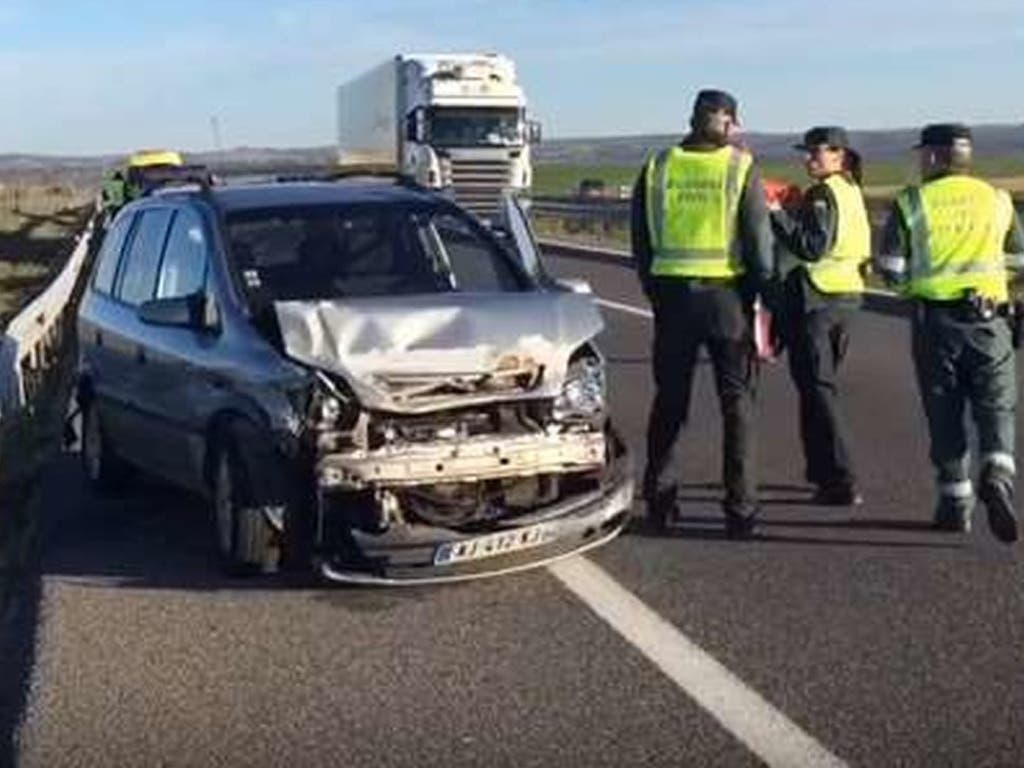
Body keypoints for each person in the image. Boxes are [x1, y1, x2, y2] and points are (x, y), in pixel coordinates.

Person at [632, 89, 775, 538]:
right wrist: (760, 294)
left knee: (670, 401)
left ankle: (659, 500)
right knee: (737, 405)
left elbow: (640, 240)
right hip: (726, 299)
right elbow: (759, 242)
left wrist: (656, 290)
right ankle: (740, 509)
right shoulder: (739, 166)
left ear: (692, 119)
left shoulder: (657, 166)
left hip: (673, 298)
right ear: (728, 122)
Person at [876, 123, 1024, 542]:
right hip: (990, 320)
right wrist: (993, 283)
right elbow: (1019, 257)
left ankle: (955, 504)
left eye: (923, 154)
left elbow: (891, 269)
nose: (920, 160)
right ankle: (997, 473)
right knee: (996, 405)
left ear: (936, 157)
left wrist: (915, 289)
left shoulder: (912, 202)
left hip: (936, 323)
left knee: (944, 413)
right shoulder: (997, 200)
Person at [769, 126, 871, 506]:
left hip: (819, 301)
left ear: (839, 156)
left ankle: (842, 479)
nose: (808, 159)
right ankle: (822, 474)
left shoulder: (823, 195)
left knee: (819, 392)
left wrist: (778, 214)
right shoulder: (851, 190)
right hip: (847, 298)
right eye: (806, 152)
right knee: (817, 390)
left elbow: (812, 248)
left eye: (816, 152)